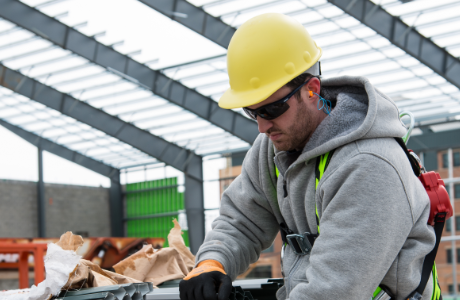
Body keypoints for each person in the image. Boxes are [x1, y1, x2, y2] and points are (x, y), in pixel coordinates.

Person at [179, 13, 437, 300]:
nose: (262, 126)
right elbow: (242, 221)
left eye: (271, 110)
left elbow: (333, 290)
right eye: (252, 112)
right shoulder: (271, 147)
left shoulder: (369, 164)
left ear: (312, 90)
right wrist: (212, 262)